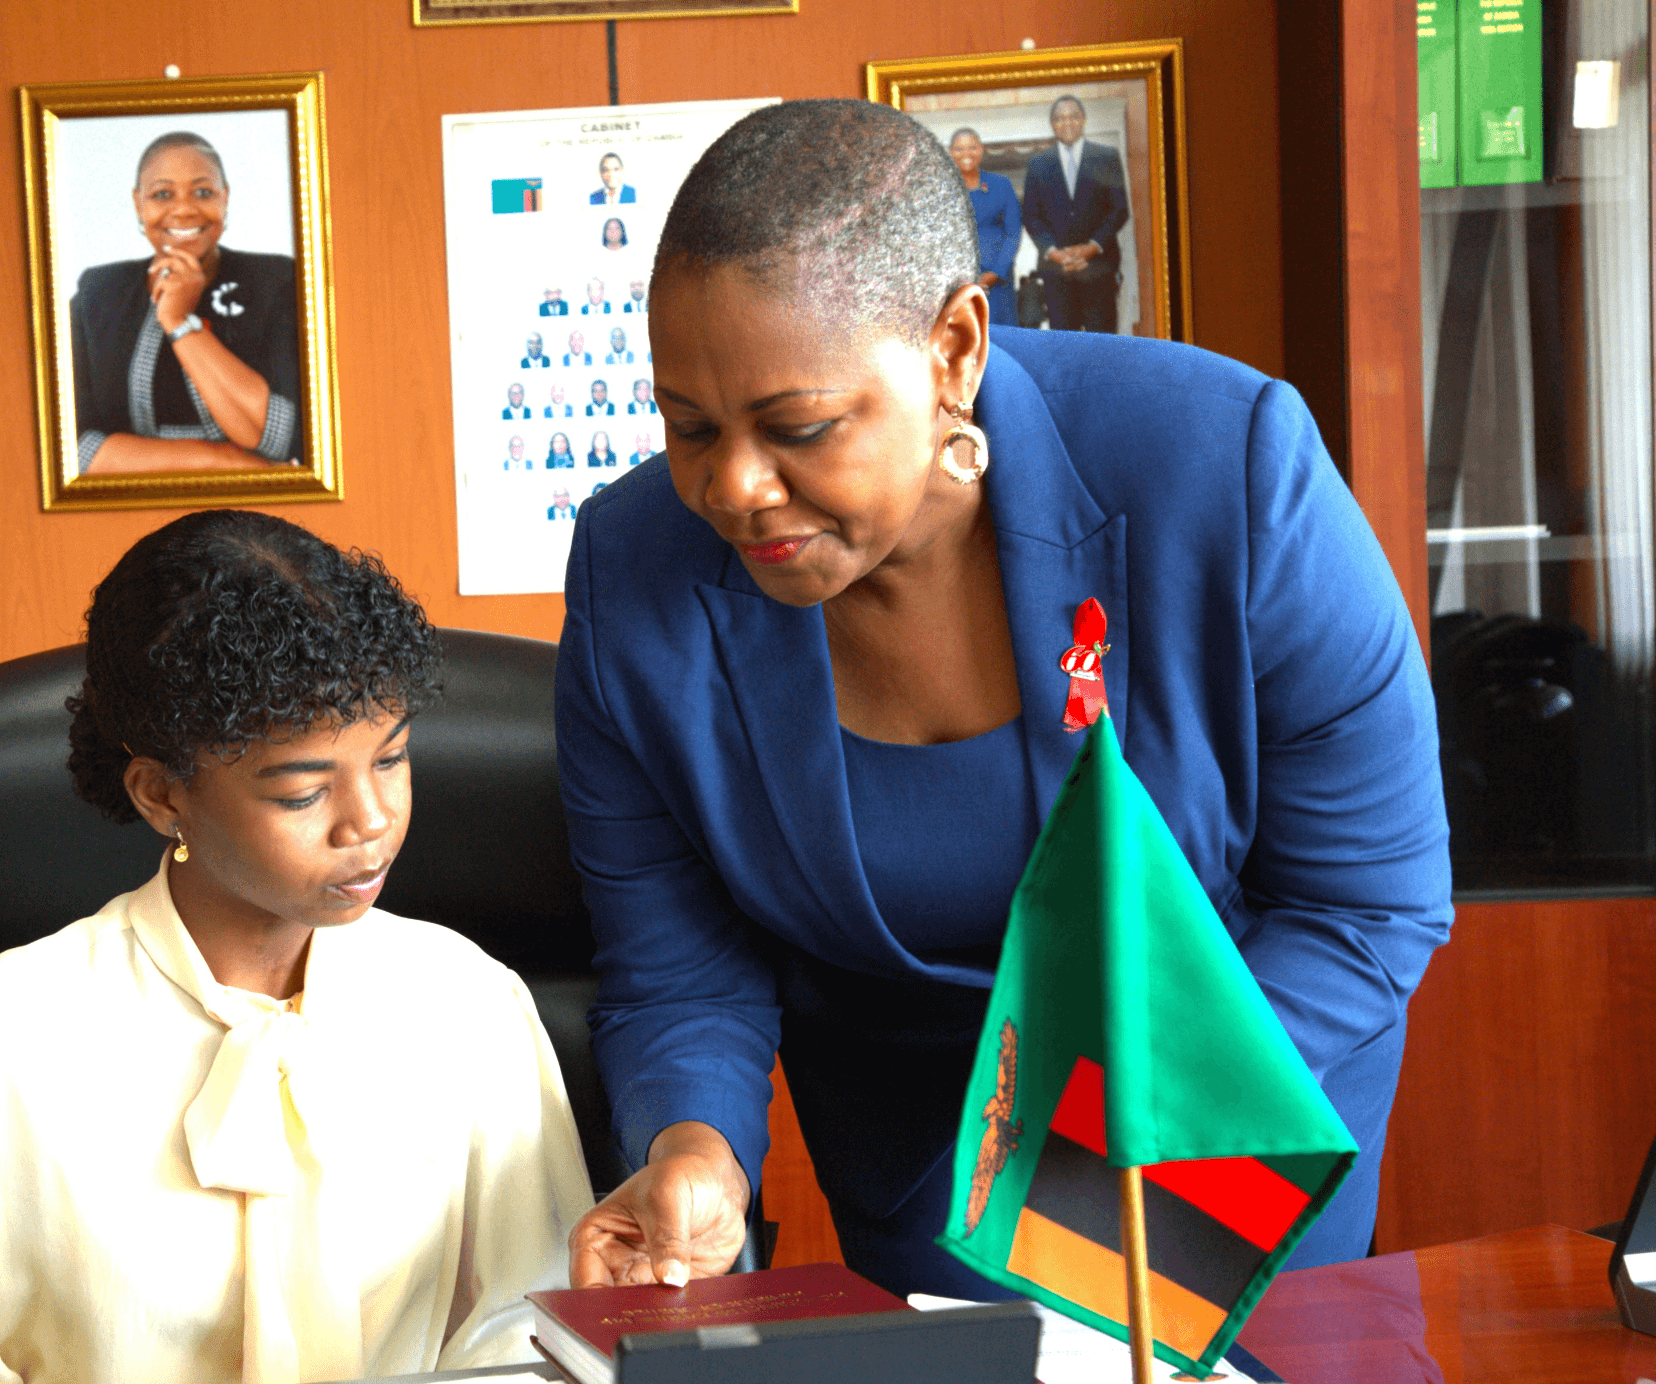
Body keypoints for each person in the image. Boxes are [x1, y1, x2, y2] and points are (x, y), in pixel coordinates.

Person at [555, 100, 1448, 1301]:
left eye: (798, 427)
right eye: (687, 426)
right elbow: (681, 969)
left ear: (956, 348)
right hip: (928, 1176)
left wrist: (1109, 1138)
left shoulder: (1223, 468)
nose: (733, 487)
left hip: (1230, 1115)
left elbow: (1365, 901)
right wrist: (694, 1150)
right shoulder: (634, 574)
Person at [0, 511, 593, 1384]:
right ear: (163, 796)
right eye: (305, 791)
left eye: (391, 761)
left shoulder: (468, 1007)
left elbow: (526, 1332)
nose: (371, 823)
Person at [71, 132, 304, 475]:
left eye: (203, 192)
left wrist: (179, 320)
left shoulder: (277, 281)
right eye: (162, 194)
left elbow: (275, 436)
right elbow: (75, 450)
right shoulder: (99, 293)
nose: (183, 209)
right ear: (139, 204)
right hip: (125, 511)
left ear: (226, 198)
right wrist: (225, 460)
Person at [1020, 96, 1130, 334]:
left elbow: (1120, 209)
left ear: (1084, 120)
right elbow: (1031, 216)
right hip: (1057, 273)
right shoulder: (1037, 164)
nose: (1067, 123)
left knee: (1103, 344)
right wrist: (1057, 254)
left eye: (1073, 117)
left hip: (1099, 268)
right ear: (1052, 124)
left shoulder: (1106, 157)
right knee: (1064, 347)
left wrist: (1090, 248)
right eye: (1060, 118)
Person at [949, 128, 1021, 330]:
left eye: (972, 147)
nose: (966, 154)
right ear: (950, 152)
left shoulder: (1001, 185)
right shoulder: (941, 188)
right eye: (959, 149)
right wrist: (962, 280)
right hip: (958, 285)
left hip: (997, 282)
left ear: (981, 150)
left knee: (1002, 340)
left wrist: (995, 273)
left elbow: (1013, 233)